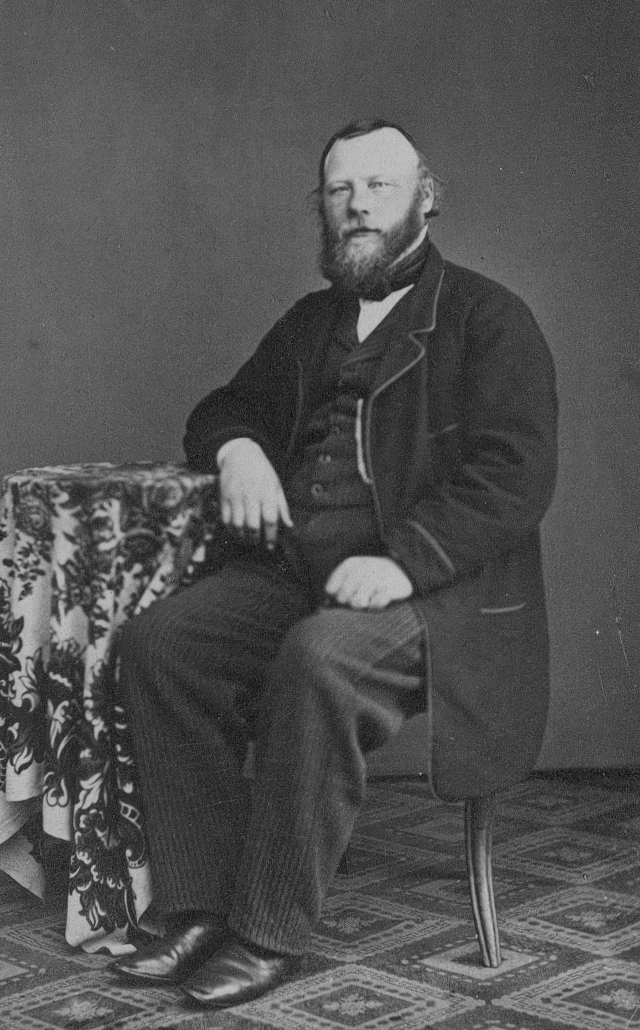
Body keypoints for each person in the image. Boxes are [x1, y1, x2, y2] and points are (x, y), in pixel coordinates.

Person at [112, 119, 558, 1008]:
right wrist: (238, 448)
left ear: (426, 198)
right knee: (163, 644)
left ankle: (265, 930)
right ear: (321, 206)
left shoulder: (490, 318)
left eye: (378, 186)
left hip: (439, 597)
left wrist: (403, 563)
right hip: (303, 578)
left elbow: (517, 473)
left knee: (320, 657)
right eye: (340, 189)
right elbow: (226, 405)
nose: (357, 205)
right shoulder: (313, 322)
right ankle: (200, 907)